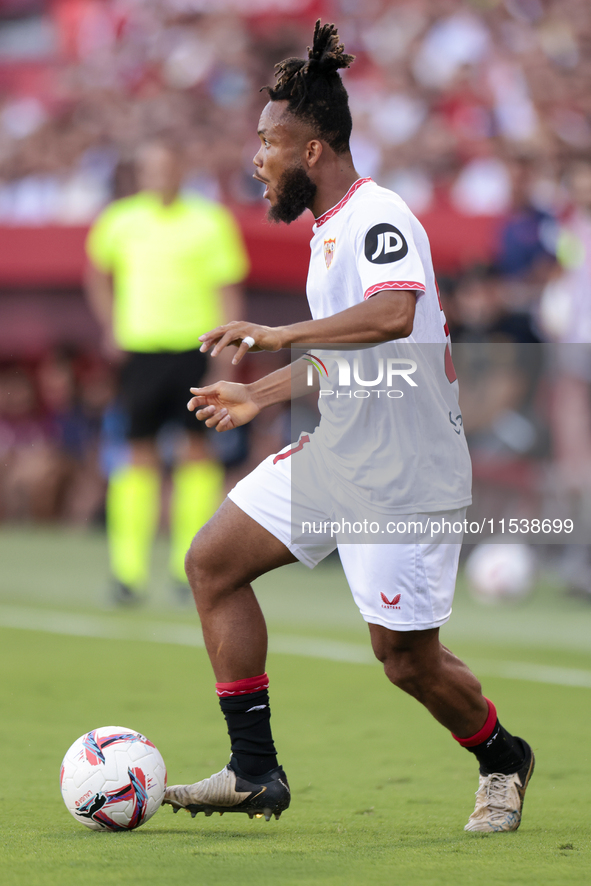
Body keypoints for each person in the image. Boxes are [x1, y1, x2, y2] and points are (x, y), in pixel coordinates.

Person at [163, 22, 534, 832]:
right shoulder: (326, 235)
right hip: (342, 454)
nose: (254, 157)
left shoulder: (378, 215)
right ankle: (254, 771)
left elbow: (393, 315)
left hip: (407, 471)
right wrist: (260, 394)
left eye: (267, 141)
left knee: (405, 660)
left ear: (310, 153)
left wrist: (282, 335)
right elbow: (352, 354)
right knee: (211, 563)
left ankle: (501, 756)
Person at [85, 139, 249, 603]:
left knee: (196, 454)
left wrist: (224, 352)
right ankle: (127, 573)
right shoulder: (120, 220)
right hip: (140, 352)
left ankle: (188, 571)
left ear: (181, 169)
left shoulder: (210, 221)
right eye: (150, 168)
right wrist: (110, 325)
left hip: (192, 351)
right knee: (137, 455)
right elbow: (96, 273)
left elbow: (227, 288)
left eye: (166, 167)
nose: (158, 176)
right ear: (140, 174)